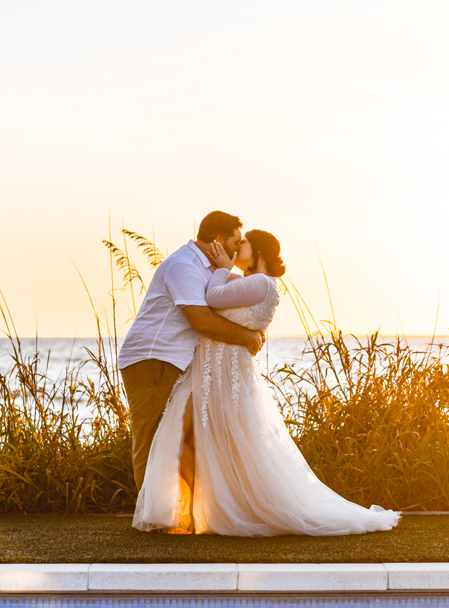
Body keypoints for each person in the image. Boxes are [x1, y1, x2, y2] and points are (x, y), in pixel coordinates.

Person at [133, 228, 400, 536]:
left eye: (243, 243)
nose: (236, 247)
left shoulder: (260, 282)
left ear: (257, 250)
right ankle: (197, 510)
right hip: (213, 371)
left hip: (225, 372)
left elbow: (212, 296)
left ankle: (215, 510)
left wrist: (221, 268)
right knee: (185, 438)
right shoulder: (248, 282)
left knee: (200, 438)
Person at [119, 211, 265, 492]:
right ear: (219, 240)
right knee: (152, 439)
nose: (237, 249)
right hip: (153, 359)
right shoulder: (184, 266)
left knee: (182, 437)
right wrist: (247, 337)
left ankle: (187, 509)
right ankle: (151, 518)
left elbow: (245, 293)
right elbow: (201, 321)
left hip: (178, 362)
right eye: (235, 242)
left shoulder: (212, 270)